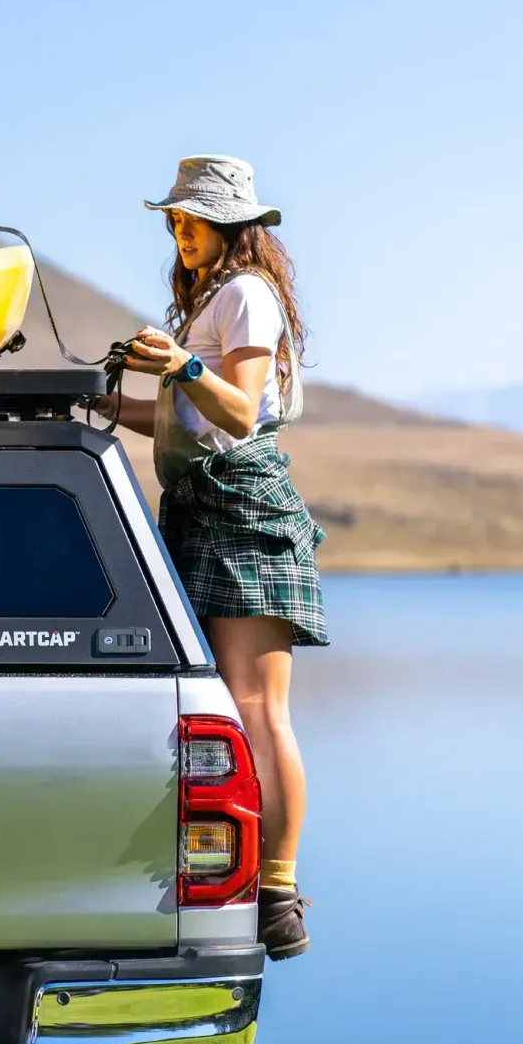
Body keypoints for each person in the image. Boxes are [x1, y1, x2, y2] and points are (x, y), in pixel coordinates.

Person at [94, 154, 326, 959]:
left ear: (230, 224)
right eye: (173, 221)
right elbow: (184, 426)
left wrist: (182, 365)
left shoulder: (245, 296)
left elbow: (236, 414)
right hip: (200, 507)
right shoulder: (211, 300)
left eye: (190, 220)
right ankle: (231, 873)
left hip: (241, 508)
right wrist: (103, 400)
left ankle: (280, 893)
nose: (178, 232)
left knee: (256, 708)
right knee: (222, 707)